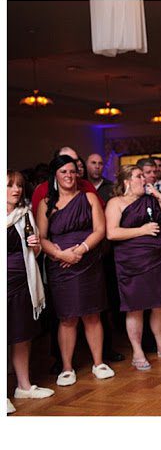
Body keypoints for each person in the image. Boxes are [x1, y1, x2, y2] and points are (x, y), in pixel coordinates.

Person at [36, 156, 115, 386]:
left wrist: (80, 250)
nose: (69, 176)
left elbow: (100, 230)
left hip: (88, 260)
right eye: (64, 172)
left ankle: (98, 363)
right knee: (67, 317)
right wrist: (62, 255)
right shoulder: (46, 203)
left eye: (72, 171)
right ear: (56, 175)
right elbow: (41, 238)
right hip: (60, 264)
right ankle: (67, 367)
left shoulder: (89, 197)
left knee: (92, 314)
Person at [105, 165, 161, 370]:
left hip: (158, 260)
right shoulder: (116, 203)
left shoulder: (151, 199)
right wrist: (142, 230)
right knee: (135, 308)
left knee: (160, 305)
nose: (145, 179)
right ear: (126, 181)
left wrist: (159, 196)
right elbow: (112, 233)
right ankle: (137, 352)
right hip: (132, 262)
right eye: (139, 176)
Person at [7, 170, 54, 413]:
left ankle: (23, 386)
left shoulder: (24, 215)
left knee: (21, 335)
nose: (16, 190)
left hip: (23, 281)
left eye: (19, 186)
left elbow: (34, 254)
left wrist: (35, 246)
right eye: (10, 185)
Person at [86, 152, 124, 362]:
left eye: (101, 164)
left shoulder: (110, 188)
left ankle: (109, 347)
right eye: (93, 163)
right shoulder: (82, 189)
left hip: (108, 252)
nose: (97, 167)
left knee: (109, 300)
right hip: (86, 253)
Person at [31, 147, 103, 217]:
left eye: (76, 160)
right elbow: (37, 222)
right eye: (67, 160)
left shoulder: (87, 185)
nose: (75, 164)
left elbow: (101, 212)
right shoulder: (42, 190)